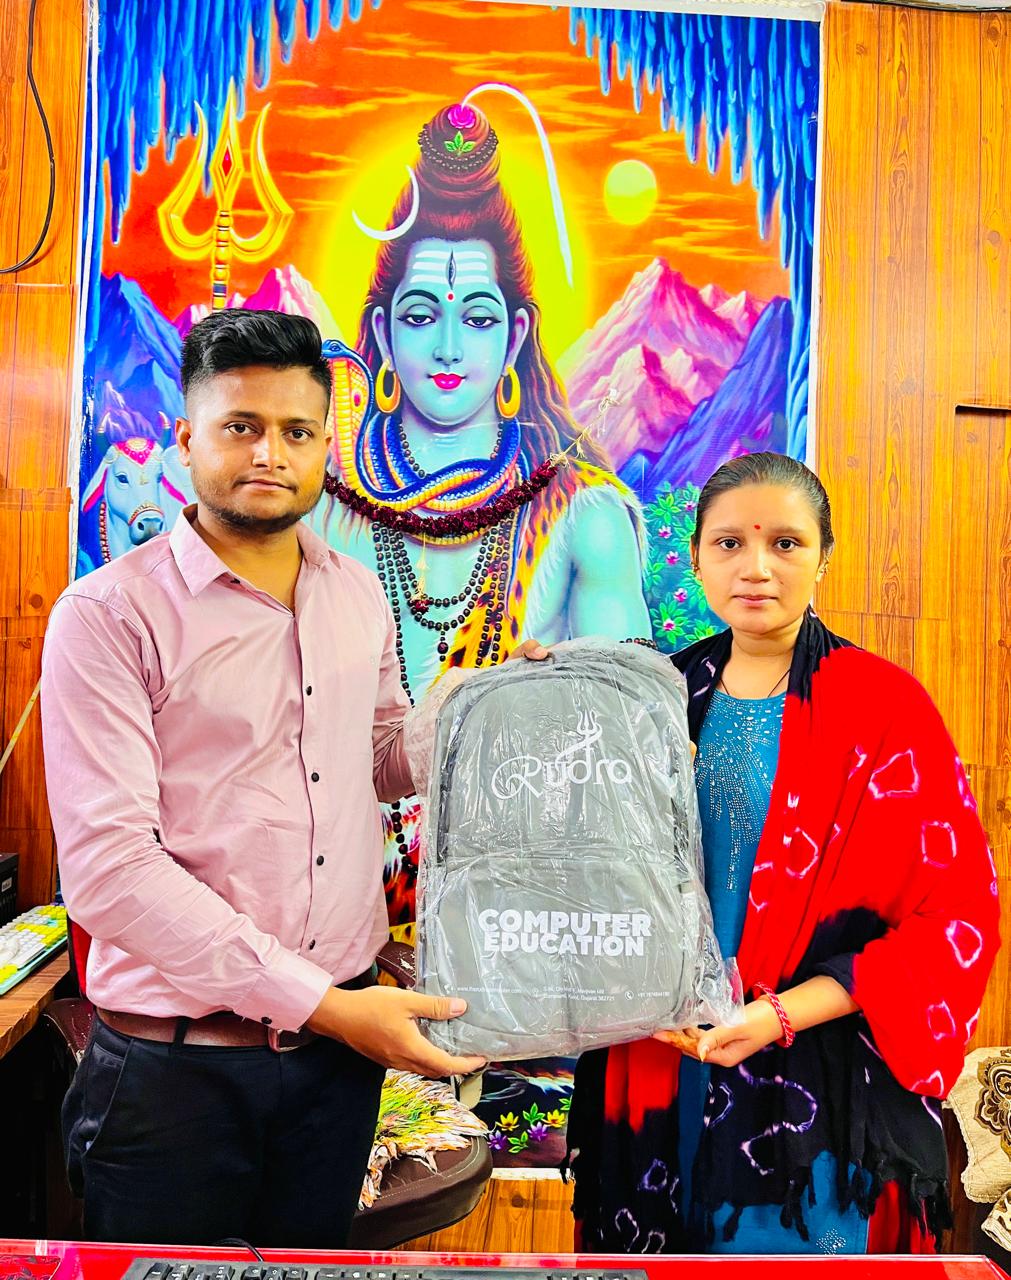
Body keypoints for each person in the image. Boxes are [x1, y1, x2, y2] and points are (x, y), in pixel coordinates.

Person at [40, 309, 543, 1248]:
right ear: (187, 437)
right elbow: (110, 872)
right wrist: (328, 1007)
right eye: (241, 426)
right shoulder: (108, 617)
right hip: (175, 1074)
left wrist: (479, 705)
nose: (270, 453)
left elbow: (382, 760)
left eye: (297, 431)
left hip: (332, 1069)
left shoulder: (354, 590)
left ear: (324, 446)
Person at [566, 452, 1001, 1254]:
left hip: (812, 1079)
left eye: (786, 544)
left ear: (822, 558)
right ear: (696, 558)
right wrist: (534, 699)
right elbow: (581, 865)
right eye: (729, 543)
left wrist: (777, 1015)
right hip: (660, 1055)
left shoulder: (883, 708)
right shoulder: (652, 697)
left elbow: (957, 918)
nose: (756, 567)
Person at [314, 95, 651, 927]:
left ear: (517, 334)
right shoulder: (319, 504)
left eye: (477, 316)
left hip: (516, 891)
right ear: (382, 333)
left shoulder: (582, 512)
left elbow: (622, 736)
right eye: (420, 315)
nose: (448, 348)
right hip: (325, 884)